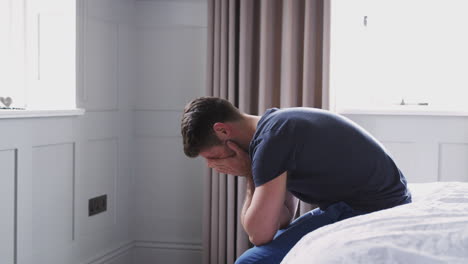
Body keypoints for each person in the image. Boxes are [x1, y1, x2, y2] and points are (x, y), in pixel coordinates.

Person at [181, 97, 412, 264]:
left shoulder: (272, 140)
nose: (212, 165)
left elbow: (258, 235)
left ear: (222, 131)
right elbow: (281, 219)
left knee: (250, 262)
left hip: (368, 209)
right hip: (373, 201)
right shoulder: (276, 127)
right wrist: (251, 169)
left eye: (212, 157)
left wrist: (248, 171)